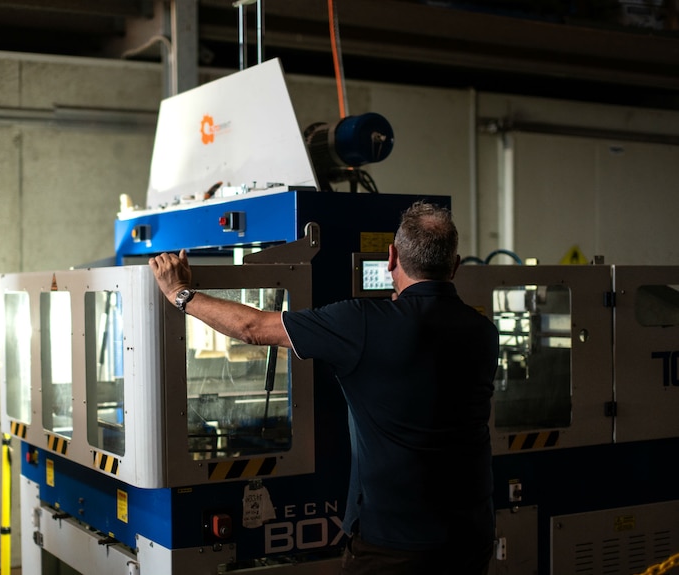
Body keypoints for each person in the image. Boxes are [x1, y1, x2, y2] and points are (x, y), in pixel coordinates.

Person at [149, 201, 499, 575]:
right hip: (471, 535)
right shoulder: (482, 332)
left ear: (391, 257)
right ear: (456, 265)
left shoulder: (363, 323)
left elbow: (254, 328)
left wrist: (180, 294)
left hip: (394, 545)